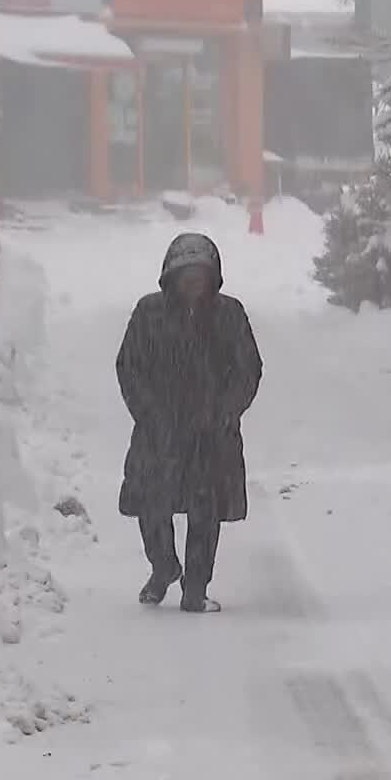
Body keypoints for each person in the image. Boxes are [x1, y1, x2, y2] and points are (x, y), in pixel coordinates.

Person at [115, 232, 263, 613]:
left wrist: (224, 412)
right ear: (171, 276)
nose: (194, 283)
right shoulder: (149, 314)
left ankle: (195, 587)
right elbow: (129, 367)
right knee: (152, 505)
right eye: (186, 274)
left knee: (205, 512)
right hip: (158, 432)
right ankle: (163, 566)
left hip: (210, 434)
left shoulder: (229, 315)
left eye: (201, 274)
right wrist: (149, 413)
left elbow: (248, 369)